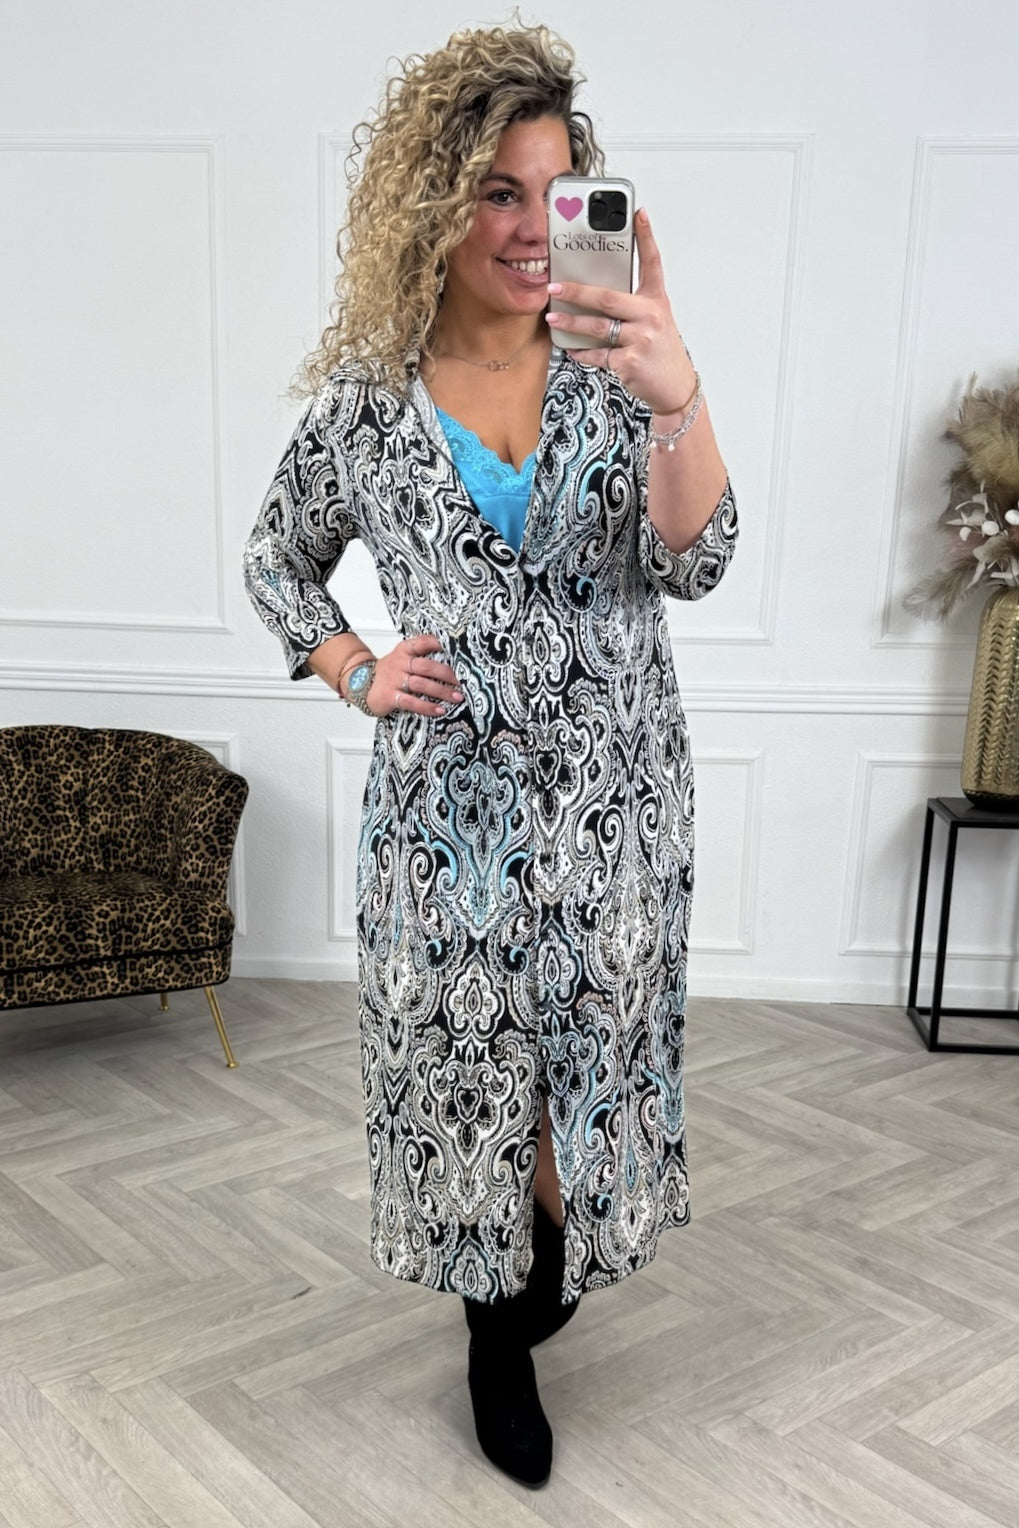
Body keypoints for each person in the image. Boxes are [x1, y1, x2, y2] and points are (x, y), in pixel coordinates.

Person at [244, 21, 736, 1489]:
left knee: (584, 1079)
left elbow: (700, 560)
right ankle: (490, 1341)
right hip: (444, 816)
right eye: (497, 193)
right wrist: (353, 666)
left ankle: (542, 1273)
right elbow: (278, 560)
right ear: (434, 204)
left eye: (557, 191)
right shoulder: (366, 404)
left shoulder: (615, 368)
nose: (532, 228)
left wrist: (677, 394)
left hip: (615, 807)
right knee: (469, 1085)